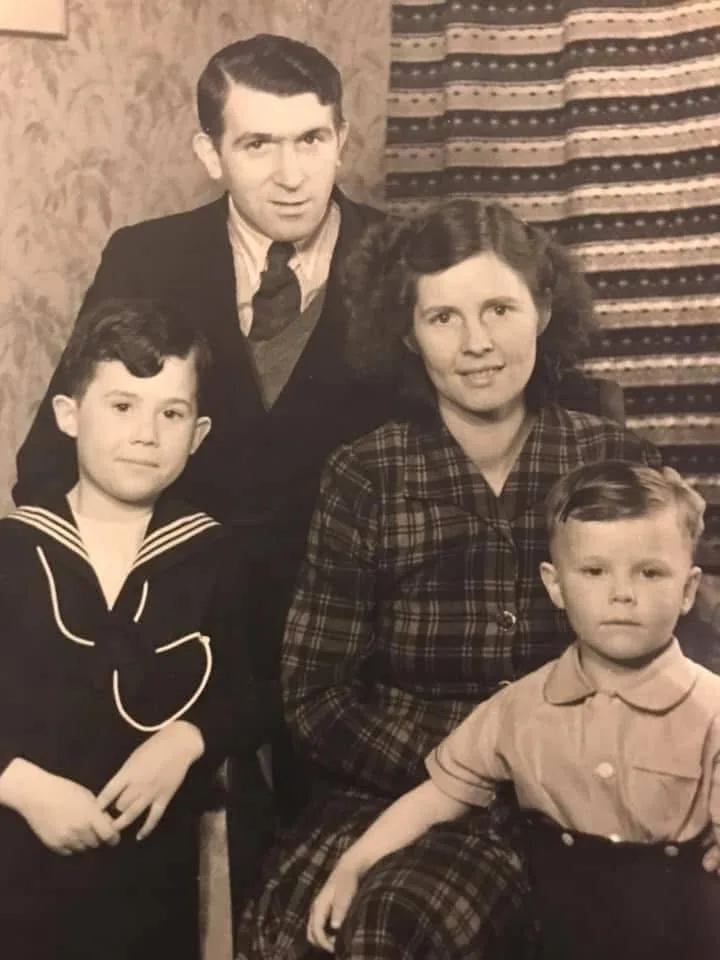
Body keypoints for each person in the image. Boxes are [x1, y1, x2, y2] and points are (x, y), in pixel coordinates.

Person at [12, 33, 401, 905]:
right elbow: (47, 466)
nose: (292, 173)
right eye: (257, 144)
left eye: (311, 139)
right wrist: (117, 631)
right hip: (174, 630)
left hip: (348, 631)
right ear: (210, 152)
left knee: (330, 889)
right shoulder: (148, 255)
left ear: (343, 136)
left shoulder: (400, 257)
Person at [235, 200, 662, 959]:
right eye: (443, 318)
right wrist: (479, 762)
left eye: (499, 308)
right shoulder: (366, 474)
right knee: (371, 929)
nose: (477, 344)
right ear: (406, 333)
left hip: (589, 797)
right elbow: (314, 696)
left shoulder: (610, 459)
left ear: (543, 308)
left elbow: (675, 645)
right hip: (400, 793)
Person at [308, 460, 720, 960]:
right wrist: (354, 864)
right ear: (555, 585)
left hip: (684, 935)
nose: (622, 593)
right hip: (557, 936)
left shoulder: (711, 710)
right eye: (593, 571)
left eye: (650, 572)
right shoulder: (520, 706)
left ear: (688, 590)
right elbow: (439, 794)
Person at [0, 298, 260, 960]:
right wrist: (21, 785)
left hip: (153, 881)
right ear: (67, 415)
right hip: (16, 865)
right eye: (121, 406)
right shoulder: (13, 551)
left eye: (170, 413)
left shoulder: (212, 554)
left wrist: (188, 738)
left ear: (197, 434)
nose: (146, 433)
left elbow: (252, 687)